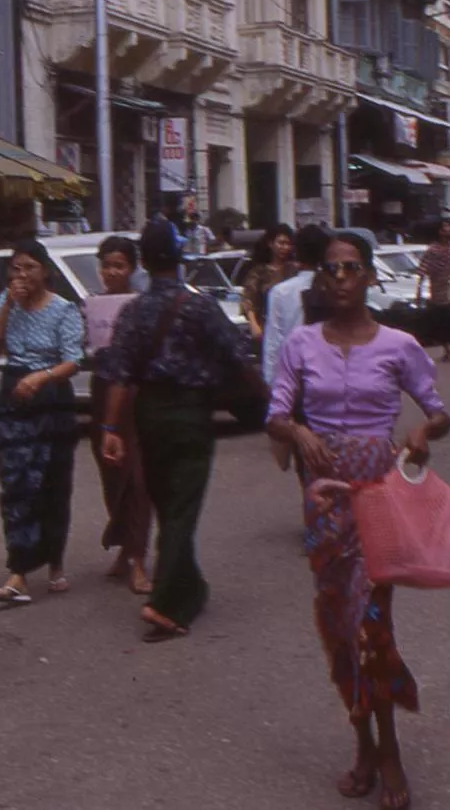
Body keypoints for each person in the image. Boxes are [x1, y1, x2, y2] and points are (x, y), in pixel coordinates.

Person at [268, 233, 450, 810]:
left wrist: (422, 434)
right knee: (336, 622)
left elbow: (438, 410)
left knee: (372, 623)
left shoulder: (399, 344)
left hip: (379, 492)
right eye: (332, 269)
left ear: (370, 277)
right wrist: (299, 431)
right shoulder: (300, 343)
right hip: (323, 497)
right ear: (321, 280)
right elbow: (275, 413)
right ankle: (362, 741)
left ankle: (389, 750)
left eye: (352, 268)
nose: (342, 277)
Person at [97, 222, 261, 641]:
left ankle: (190, 588)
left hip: (149, 414)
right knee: (181, 508)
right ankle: (166, 604)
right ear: (180, 258)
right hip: (190, 413)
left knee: (170, 501)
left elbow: (118, 375)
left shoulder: (132, 312)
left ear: (145, 264)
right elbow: (236, 355)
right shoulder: (200, 307)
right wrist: (270, 401)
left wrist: (111, 428)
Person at [0, 240, 84, 605]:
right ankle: (19, 571)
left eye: (29, 268)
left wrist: (42, 377)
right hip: (14, 397)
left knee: (53, 484)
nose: (22, 275)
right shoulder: (7, 303)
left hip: (51, 399)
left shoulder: (63, 309)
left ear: (45, 271)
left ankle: (55, 561)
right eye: (16, 268)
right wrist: (9, 303)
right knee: (15, 484)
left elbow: (73, 360)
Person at [84, 236, 151, 594]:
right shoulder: (92, 305)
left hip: (135, 397)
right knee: (111, 474)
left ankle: (139, 559)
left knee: (137, 477)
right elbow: (85, 351)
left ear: (132, 269)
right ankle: (125, 546)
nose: (111, 272)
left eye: (119, 265)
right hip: (102, 392)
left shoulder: (141, 306)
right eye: (106, 265)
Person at [262, 223, 332, 383]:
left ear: (296, 251)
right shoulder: (334, 287)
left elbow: (273, 343)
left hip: (294, 374)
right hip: (330, 373)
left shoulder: (280, 291)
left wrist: (270, 383)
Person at [417, 221, 450, 363]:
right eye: (446, 228)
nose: (449, 230)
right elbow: (422, 271)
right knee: (441, 322)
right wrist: (419, 292)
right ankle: (446, 350)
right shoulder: (432, 251)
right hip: (438, 292)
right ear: (440, 231)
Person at [240, 224, 297, 343]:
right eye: (281, 243)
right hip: (268, 328)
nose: (285, 247)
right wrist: (254, 325)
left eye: (288, 244)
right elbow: (248, 299)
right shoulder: (259, 271)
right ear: (271, 244)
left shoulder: (295, 270)